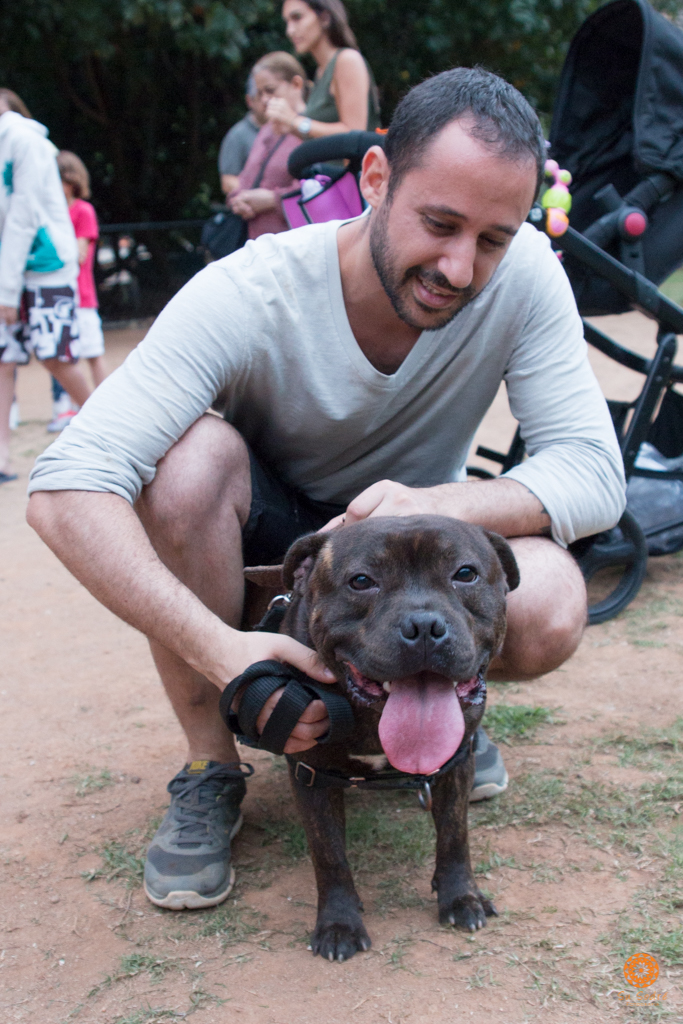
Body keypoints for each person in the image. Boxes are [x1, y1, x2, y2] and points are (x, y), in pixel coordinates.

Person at [27, 68, 625, 913]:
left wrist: (440, 503)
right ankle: (210, 763)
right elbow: (63, 488)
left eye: (492, 237)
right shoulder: (249, 291)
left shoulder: (524, 273)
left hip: (415, 540)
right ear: (375, 179)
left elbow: (595, 471)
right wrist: (220, 650)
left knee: (555, 598)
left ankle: (437, 715)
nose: (461, 266)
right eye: (439, 224)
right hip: (269, 550)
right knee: (187, 460)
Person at [0, 88, 91, 483]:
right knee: (3, 360)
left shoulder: (24, 141)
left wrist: (6, 288)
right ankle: (1, 455)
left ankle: (113, 429)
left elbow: (23, 216)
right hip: (13, 269)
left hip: (46, 266)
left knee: (55, 356)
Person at [46, 151, 108, 432]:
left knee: (93, 354)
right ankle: (73, 408)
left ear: (70, 181)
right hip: (58, 297)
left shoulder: (82, 211)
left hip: (81, 297)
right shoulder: (51, 214)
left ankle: (108, 405)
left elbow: (80, 254)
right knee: (63, 357)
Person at [266, 0, 380, 142]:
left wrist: (295, 120)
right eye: (287, 22)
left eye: (297, 18)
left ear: (325, 18)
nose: (290, 31)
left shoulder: (347, 60)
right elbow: (326, 143)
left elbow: (354, 134)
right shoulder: (321, 71)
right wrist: (291, 127)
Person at [228, 53, 308, 239]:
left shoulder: (313, 130)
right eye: (259, 93)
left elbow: (319, 190)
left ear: (296, 85)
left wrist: (273, 200)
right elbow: (245, 181)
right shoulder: (266, 129)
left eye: (270, 90)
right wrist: (237, 201)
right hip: (256, 245)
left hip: (293, 245)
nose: (264, 99)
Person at [218, 77, 267, 200]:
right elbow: (228, 181)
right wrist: (255, 196)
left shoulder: (288, 129)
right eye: (259, 96)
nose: (266, 100)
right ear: (249, 101)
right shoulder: (237, 135)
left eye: (271, 93)